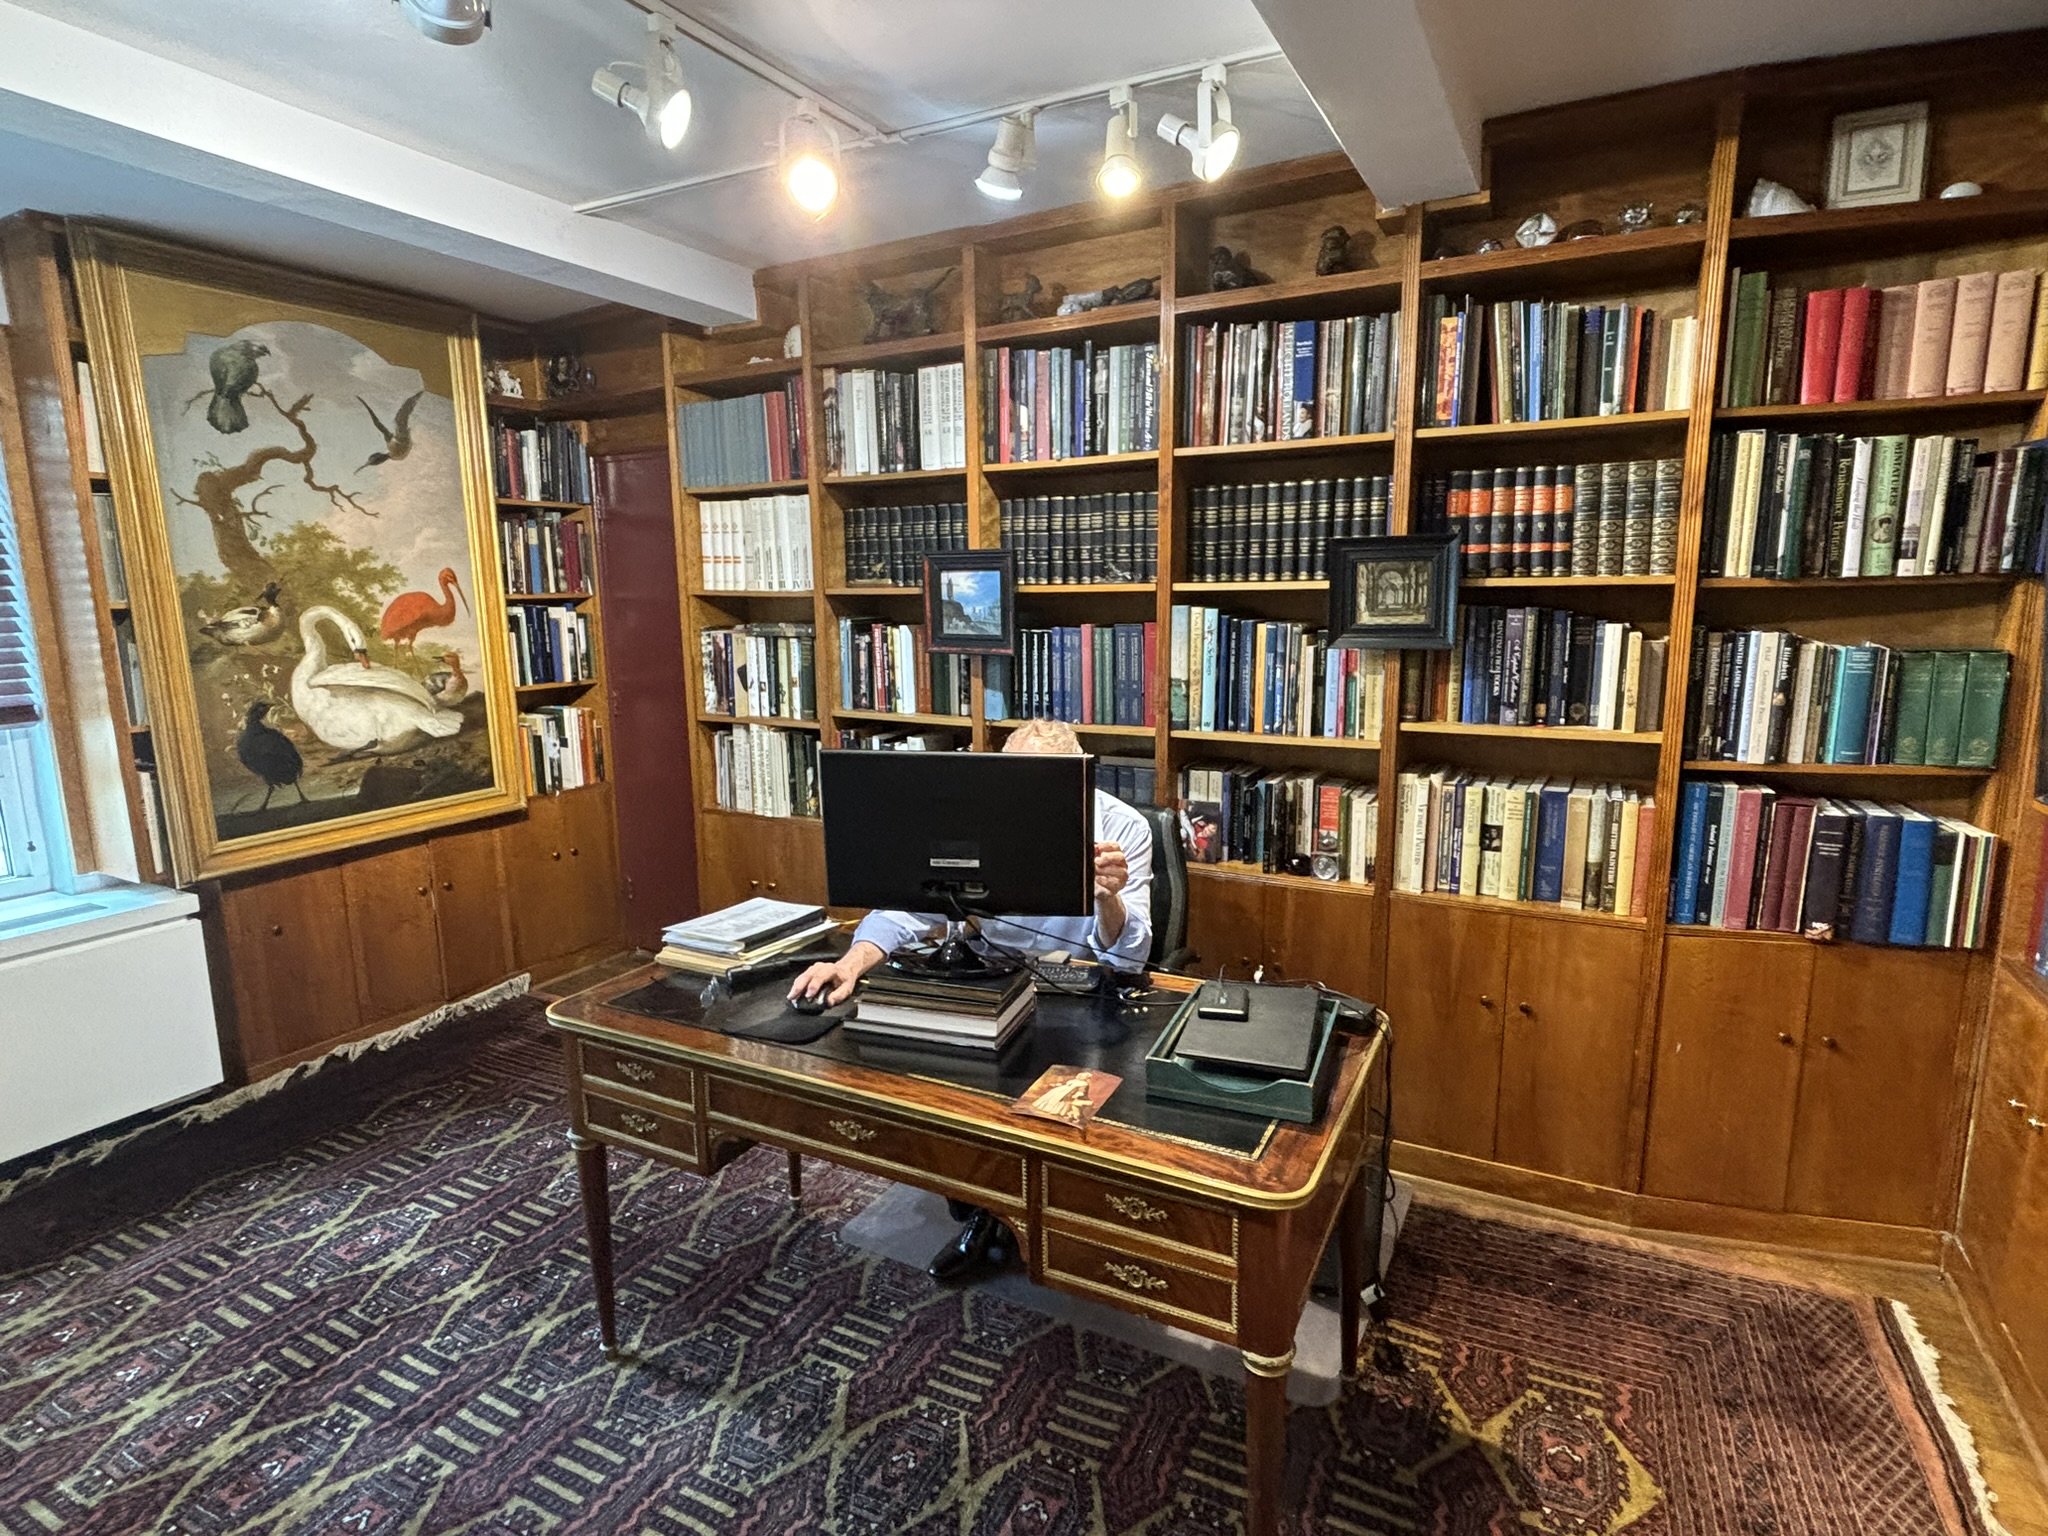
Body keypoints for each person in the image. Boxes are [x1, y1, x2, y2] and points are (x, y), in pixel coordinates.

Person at [789, 718, 1153, 1281]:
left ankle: (1011, 1213)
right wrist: (850, 963)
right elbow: (910, 903)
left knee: (1046, 1101)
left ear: (1079, 782)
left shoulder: (1122, 827)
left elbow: (1129, 956)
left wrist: (1109, 899)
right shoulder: (977, 813)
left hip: (1077, 991)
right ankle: (981, 1192)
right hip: (987, 976)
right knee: (935, 1076)